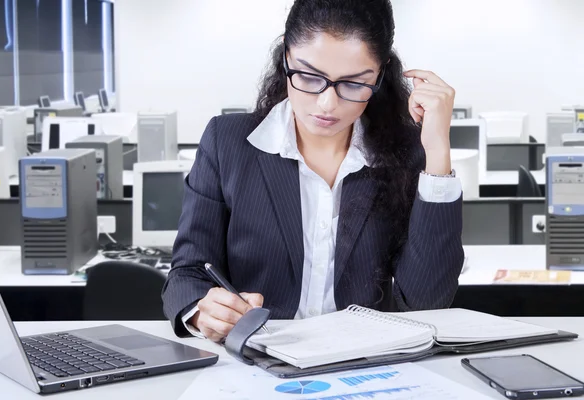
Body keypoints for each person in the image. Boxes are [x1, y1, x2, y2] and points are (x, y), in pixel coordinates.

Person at [162, 0, 464, 342]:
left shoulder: (405, 152)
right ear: (285, 59)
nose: (327, 104)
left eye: (354, 84)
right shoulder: (227, 142)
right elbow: (187, 274)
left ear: (380, 75)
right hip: (256, 362)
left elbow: (428, 302)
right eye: (308, 76)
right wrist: (202, 310)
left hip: (367, 366)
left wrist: (437, 150)